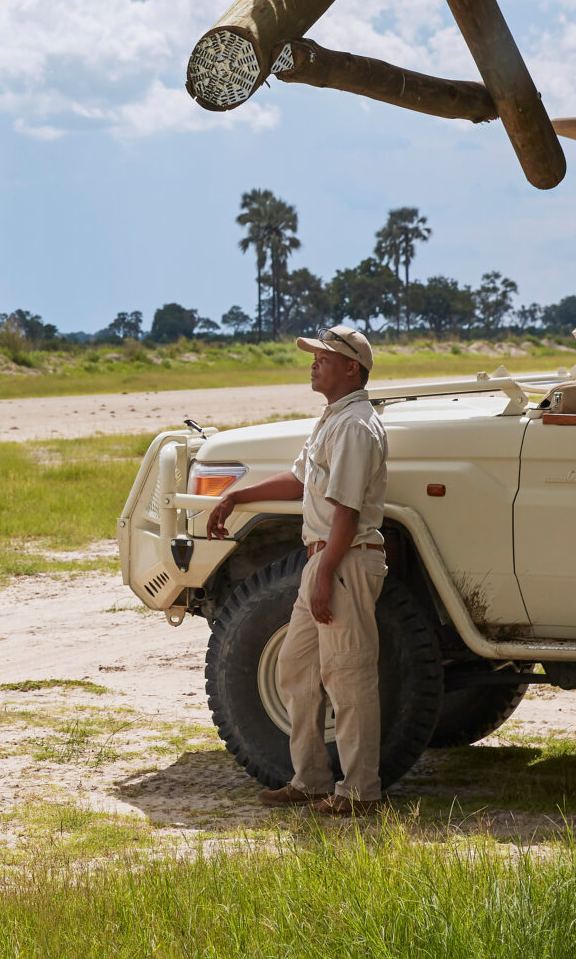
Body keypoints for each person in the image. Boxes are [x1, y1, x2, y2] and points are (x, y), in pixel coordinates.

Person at [205, 324, 388, 816]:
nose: (313, 363)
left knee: (347, 676)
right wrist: (238, 495)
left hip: (342, 559)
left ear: (351, 368)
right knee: (295, 667)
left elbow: (346, 511)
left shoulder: (354, 426)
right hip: (324, 559)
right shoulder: (333, 419)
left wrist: (326, 573)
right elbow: (300, 479)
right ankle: (309, 780)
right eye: (314, 357)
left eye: (323, 358)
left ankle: (361, 791)